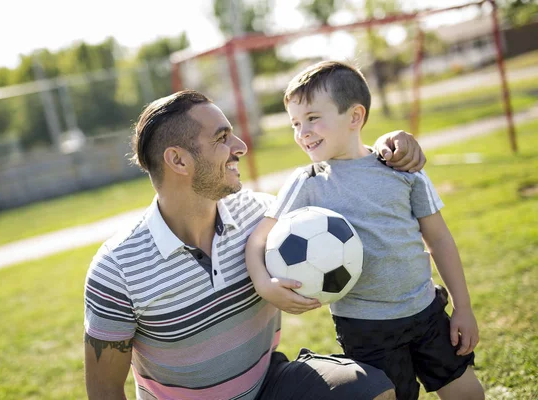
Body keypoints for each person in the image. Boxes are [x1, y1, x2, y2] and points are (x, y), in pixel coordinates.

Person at [83, 89, 427, 400]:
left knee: (370, 389)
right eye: (222, 138)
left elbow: (346, 184)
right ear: (178, 160)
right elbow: (105, 389)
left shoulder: (265, 218)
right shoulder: (118, 267)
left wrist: (389, 145)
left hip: (270, 386)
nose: (241, 147)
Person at [245, 61, 485, 400]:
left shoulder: (402, 168)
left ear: (355, 117)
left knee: (468, 393)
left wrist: (463, 306)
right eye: (296, 123)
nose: (303, 132)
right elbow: (260, 240)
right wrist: (264, 283)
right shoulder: (307, 183)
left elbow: (440, 239)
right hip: (366, 329)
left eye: (313, 118)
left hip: (426, 312)